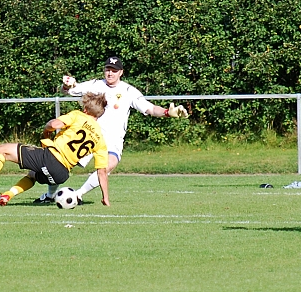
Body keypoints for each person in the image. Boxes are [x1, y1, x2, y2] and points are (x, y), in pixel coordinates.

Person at [33, 56, 189, 205]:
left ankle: (77, 195)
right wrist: (67, 85)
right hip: (88, 135)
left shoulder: (129, 91)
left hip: (113, 140)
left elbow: (150, 109)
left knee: (109, 165)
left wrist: (167, 113)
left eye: (114, 70)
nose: (110, 73)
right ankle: (50, 195)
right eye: (108, 69)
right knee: (60, 163)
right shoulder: (95, 85)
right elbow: (67, 91)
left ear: (121, 72)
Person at [0, 92, 111, 206]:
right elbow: (102, 172)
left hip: (50, 158)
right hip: (61, 174)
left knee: (2, 149)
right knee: (33, 175)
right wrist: (105, 197)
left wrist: (46, 132)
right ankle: (7, 195)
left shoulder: (78, 116)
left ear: (85, 109)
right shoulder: (100, 138)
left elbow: (54, 125)